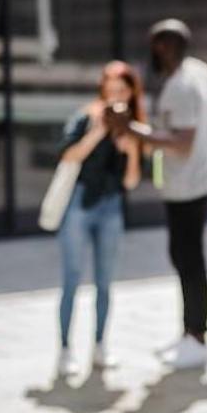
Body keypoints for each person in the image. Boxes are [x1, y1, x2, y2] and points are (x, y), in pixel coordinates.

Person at [106, 18, 207, 370]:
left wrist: (131, 129)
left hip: (189, 185)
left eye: (155, 44)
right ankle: (189, 332)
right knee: (185, 258)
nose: (152, 52)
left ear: (165, 47)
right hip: (195, 182)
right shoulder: (199, 72)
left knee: (189, 260)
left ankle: (197, 337)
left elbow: (181, 143)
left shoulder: (182, 86)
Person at [55, 61, 143, 376]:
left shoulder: (133, 126)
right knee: (72, 279)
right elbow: (67, 155)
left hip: (111, 207)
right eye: (111, 90)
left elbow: (131, 182)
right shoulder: (85, 116)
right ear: (103, 90)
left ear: (131, 93)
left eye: (122, 91)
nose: (116, 97)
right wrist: (99, 130)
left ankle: (99, 345)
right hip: (79, 205)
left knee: (105, 282)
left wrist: (129, 147)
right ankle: (65, 349)